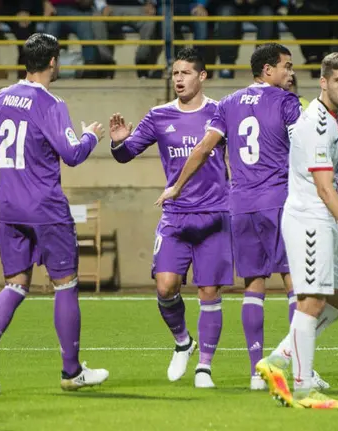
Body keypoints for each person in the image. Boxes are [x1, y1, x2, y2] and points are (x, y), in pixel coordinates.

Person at [155, 43, 326, 391]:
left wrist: (175, 186)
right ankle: (299, 369)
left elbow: (203, 149)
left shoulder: (228, 104)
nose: (290, 74)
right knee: (297, 286)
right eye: (286, 67)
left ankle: (255, 374)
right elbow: (303, 151)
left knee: (253, 287)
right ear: (267, 70)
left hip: (240, 206)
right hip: (279, 203)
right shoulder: (287, 103)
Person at [0, 33, 109, 394]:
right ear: (52, 61)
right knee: (65, 283)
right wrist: (92, 136)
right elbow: (73, 154)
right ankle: (71, 371)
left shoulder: (3, 97)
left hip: (9, 206)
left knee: (15, 284)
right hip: (45, 205)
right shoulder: (50, 102)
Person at [257, 52, 338, 409]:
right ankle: (302, 388)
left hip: (325, 217)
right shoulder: (315, 123)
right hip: (309, 219)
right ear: (323, 82)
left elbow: (333, 173)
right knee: (310, 303)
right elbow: (324, 188)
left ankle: (276, 360)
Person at [109, 48, 230, 388]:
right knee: (165, 286)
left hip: (214, 213)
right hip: (175, 215)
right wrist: (119, 143)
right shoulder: (159, 116)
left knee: (209, 290)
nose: (178, 79)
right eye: (175, 73)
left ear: (202, 76)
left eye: (186, 73)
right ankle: (183, 342)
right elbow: (126, 154)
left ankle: (204, 367)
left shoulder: (220, 113)